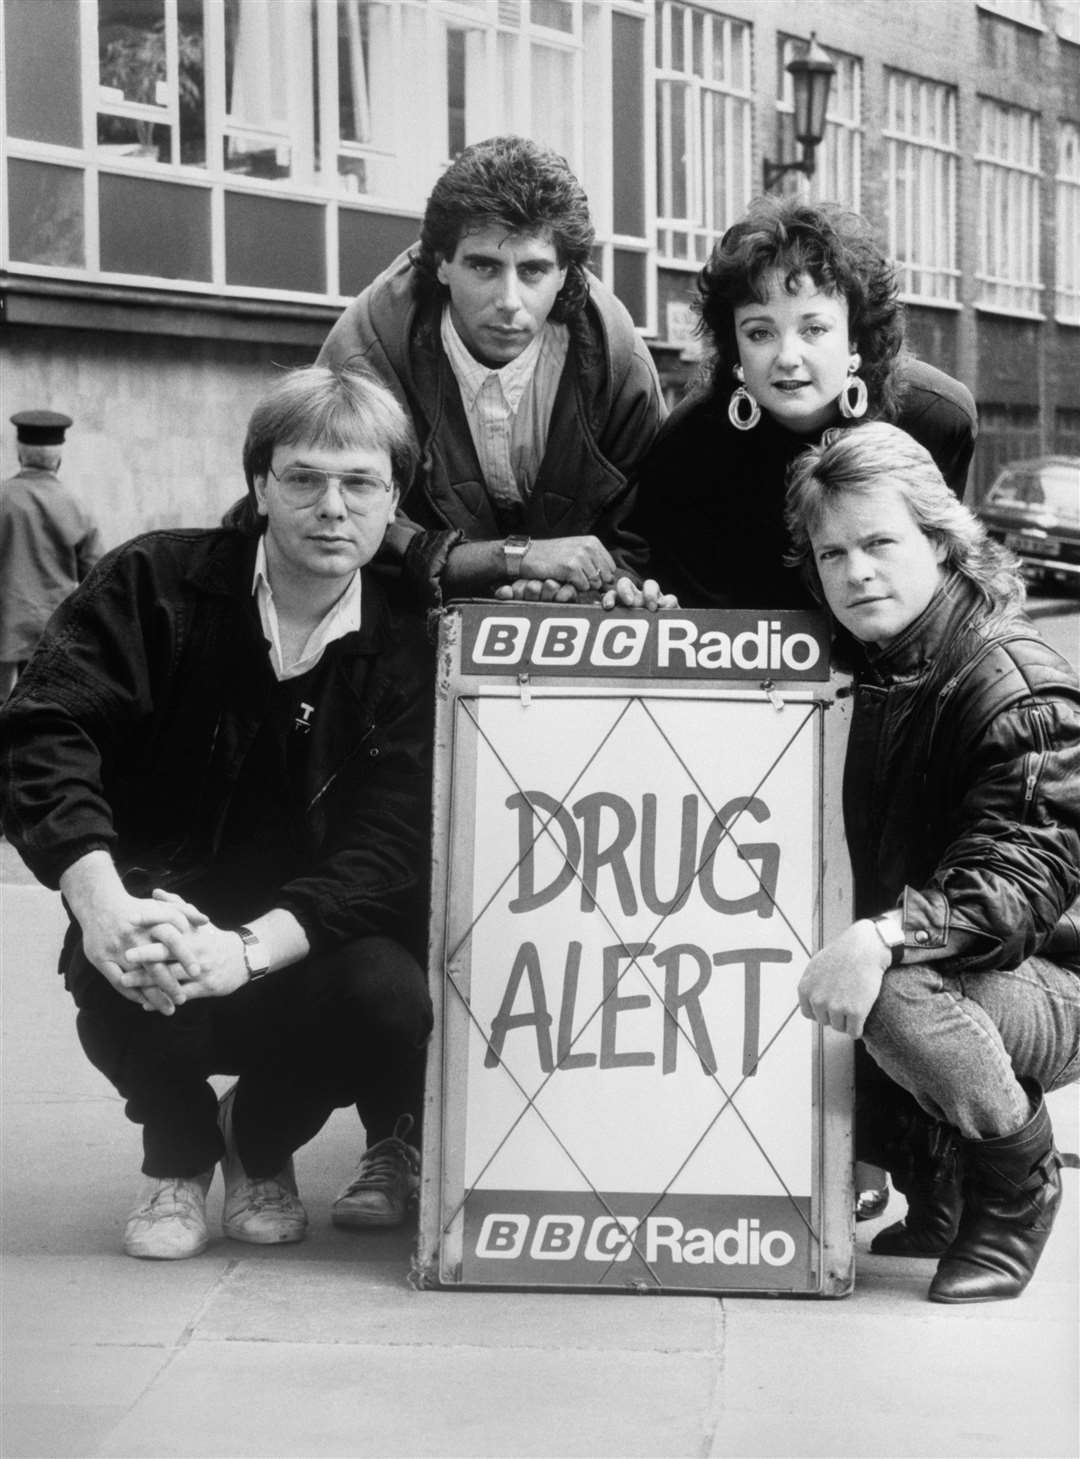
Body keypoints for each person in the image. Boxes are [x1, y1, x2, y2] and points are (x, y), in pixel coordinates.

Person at [0, 366, 436, 1260]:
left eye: (360, 483)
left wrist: (244, 951)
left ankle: (261, 1140)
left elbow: (390, 846)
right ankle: (177, 1154)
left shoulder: (410, 643)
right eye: (303, 478)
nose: (332, 506)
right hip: (164, 901)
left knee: (393, 1000)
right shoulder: (152, 583)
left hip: (300, 937)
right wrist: (100, 899)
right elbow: (44, 729)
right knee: (120, 962)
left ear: (394, 502)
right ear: (259, 485)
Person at [784, 421, 1080, 1304]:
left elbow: (1018, 888)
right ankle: (939, 1185)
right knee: (803, 970)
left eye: (880, 543)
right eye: (832, 552)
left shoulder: (1014, 681)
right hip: (976, 969)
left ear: (943, 542)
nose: (856, 570)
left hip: (1051, 974)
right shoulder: (870, 657)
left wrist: (880, 936)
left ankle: (1017, 1181)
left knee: (885, 982)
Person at [317, 134, 667, 609]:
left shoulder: (617, 360)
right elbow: (339, 521)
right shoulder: (368, 353)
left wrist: (590, 589)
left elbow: (647, 532)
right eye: (484, 267)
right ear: (440, 263)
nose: (509, 300)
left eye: (533, 271)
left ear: (566, 273)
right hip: (399, 622)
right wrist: (513, 558)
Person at [626, 196, 977, 611]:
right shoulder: (687, 446)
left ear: (854, 339)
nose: (787, 356)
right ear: (734, 349)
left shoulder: (933, 418)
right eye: (760, 333)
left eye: (813, 328)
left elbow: (936, 588)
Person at [0, 410, 102, 700]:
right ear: (58, 459)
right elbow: (98, 578)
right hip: (52, 632)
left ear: (20, 454)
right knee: (39, 711)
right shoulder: (76, 507)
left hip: (3, 631)